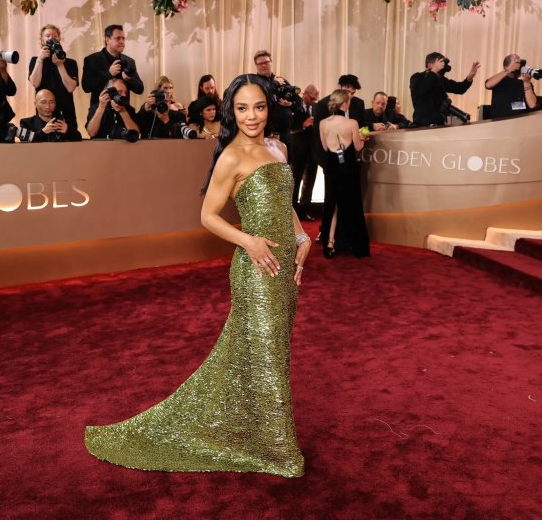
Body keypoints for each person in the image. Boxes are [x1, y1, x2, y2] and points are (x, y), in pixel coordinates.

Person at [85, 73, 310, 478]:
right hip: (255, 271)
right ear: (231, 111)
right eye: (242, 108)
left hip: (283, 270)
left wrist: (301, 236)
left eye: (259, 107)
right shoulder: (232, 157)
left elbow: (283, 202)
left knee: (267, 354)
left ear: (269, 108)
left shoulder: (279, 148)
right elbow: (208, 216)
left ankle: (253, 431)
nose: (252, 116)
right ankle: (277, 450)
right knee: (265, 356)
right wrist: (248, 241)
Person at [319, 89, 369, 259]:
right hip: (348, 166)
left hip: (331, 166)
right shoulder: (352, 123)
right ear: (345, 103)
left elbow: (325, 147)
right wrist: (363, 138)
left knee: (331, 204)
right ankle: (355, 245)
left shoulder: (323, 123)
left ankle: (329, 243)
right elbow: (358, 147)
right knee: (351, 204)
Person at [28, 24, 79, 131]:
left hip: (65, 111)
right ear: (42, 40)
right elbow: (35, 83)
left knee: (69, 139)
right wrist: (40, 60)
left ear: (59, 39)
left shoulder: (70, 63)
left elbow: (70, 88)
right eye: (48, 36)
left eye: (54, 36)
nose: (51, 38)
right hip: (44, 113)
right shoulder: (35, 61)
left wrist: (60, 65)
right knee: (43, 138)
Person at [82, 24, 143, 107]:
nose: (122, 41)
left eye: (123, 38)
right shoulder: (92, 60)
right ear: (107, 40)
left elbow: (140, 89)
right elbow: (86, 87)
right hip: (100, 110)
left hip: (123, 110)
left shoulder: (129, 61)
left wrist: (129, 80)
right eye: (118, 38)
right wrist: (109, 74)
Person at [410, 52, 479, 126]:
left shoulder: (439, 79)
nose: (442, 66)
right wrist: (433, 71)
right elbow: (420, 90)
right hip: (422, 124)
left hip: (439, 124)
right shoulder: (417, 77)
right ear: (430, 65)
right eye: (440, 63)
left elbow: (459, 88)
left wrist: (469, 77)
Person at [290, 83, 319, 221]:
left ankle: (304, 211)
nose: (313, 101)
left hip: (313, 152)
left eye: (315, 99)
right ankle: (293, 213)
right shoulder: (295, 106)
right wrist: (303, 124)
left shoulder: (317, 108)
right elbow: (290, 128)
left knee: (310, 183)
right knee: (295, 182)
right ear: (305, 94)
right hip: (298, 151)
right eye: (312, 98)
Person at [484, 54, 538, 118]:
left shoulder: (524, 82)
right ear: (505, 66)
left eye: (519, 63)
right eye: (515, 62)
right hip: (500, 120)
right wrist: (508, 70)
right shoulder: (499, 80)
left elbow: (532, 105)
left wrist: (527, 83)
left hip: (520, 120)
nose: (518, 66)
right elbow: (488, 85)